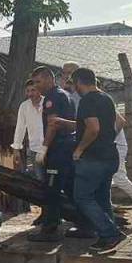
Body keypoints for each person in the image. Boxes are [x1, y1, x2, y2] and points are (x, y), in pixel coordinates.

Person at [69, 68, 125, 253]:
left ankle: (110, 234)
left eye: (73, 83)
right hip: (109, 155)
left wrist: (79, 149)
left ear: (78, 82)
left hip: (93, 159)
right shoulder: (106, 97)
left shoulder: (87, 100)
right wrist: (107, 138)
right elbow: (120, 121)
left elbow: (93, 128)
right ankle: (108, 236)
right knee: (102, 198)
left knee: (82, 197)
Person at [27, 66, 82, 242]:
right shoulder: (65, 95)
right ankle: (86, 223)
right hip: (68, 148)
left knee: (51, 190)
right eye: (34, 82)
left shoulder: (53, 97)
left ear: (49, 79)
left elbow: (53, 124)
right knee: (72, 189)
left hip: (58, 149)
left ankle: (49, 230)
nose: (36, 86)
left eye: (38, 81)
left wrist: (43, 149)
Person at [11, 79, 45, 180]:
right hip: (35, 149)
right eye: (28, 91)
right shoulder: (24, 106)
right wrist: (16, 148)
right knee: (39, 180)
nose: (30, 93)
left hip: (50, 147)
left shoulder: (47, 102)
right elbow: (20, 127)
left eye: (33, 90)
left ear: (39, 90)